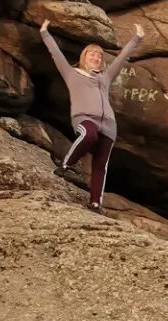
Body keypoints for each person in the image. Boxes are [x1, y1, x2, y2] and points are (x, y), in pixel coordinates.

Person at [39, 20, 143, 213]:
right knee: (89, 135)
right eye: (92, 54)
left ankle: (95, 202)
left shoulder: (106, 76)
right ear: (84, 57)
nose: (96, 57)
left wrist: (137, 38)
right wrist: (45, 32)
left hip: (109, 126)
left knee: (100, 165)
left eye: (99, 55)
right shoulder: (72, 73)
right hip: (84, 118)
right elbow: (56, 54)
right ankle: (66, 164)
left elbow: (121, 58)